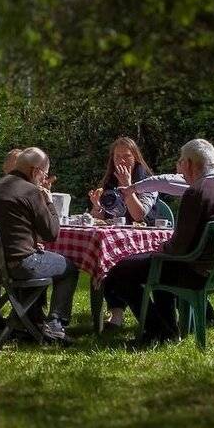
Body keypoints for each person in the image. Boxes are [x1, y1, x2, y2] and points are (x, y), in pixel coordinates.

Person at [103, 139, 214, 347]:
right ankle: (168, 330)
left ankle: (156, 330)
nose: (179, 167)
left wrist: (160, 250)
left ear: (188, 163)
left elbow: (178, 249)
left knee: (121, 270)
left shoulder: (196, 192)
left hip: (193, 270)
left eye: (180, 161)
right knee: (155, 265)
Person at [0, 147, 79, 343]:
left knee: (37, 259)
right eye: (44, 174)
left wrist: (29, 242)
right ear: (35, 171)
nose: (44, 180)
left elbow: (7, 228)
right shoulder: (30, 191)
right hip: (16, 267)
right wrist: (49, 202)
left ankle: (29, 321)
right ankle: (55, 324)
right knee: (69, 267)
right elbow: (52, 233)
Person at [88, 137, 158, 329]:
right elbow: (107, 215)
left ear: (136, 157)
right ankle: (116, 315)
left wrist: (128, 187)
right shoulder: (110, 180)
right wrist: (97, 208)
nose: (121, 161)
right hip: (118, 239)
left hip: (144, 241)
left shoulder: (147, 181)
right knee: (107, 257)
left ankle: (146, 319)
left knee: (115, 262)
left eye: (126, 156)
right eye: (117, 156)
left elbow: (138, 216)